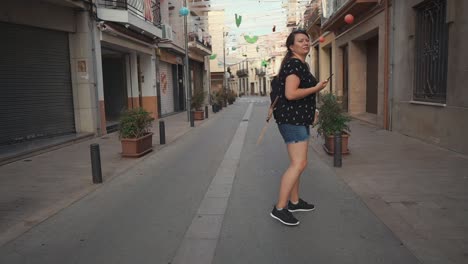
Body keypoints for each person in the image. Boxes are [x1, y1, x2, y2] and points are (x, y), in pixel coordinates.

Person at [270, 30, 329, 226]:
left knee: (297, 163)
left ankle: (294, 202)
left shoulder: (301, 64)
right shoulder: (294, 64)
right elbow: (291, 94)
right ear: (291, 46)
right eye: (300, 41)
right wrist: (317, 88)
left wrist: (313, 110)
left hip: (297, 119)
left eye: (307, 40)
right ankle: (280, 208)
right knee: (299, 164)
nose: (306, 42)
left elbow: (300, 97)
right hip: (291, 121)